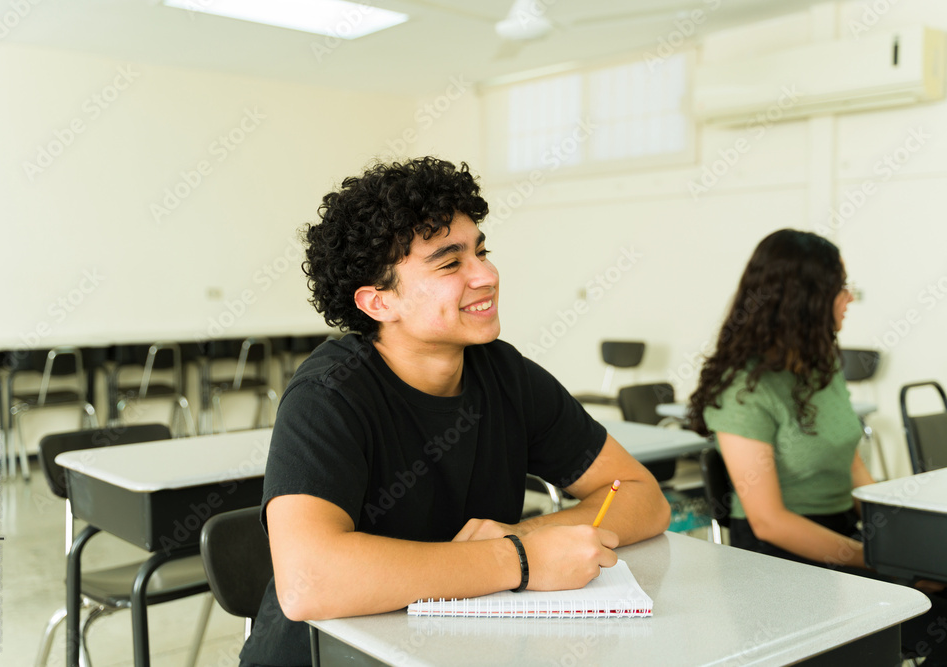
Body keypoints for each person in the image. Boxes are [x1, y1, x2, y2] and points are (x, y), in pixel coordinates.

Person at [239, 157, 670, 667]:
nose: (486, 275)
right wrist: (520, 560)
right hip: (326, 655)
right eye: (450, 264)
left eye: (481, 252)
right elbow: (309, 583)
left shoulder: (505, 373)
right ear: (378, 303)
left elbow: (642, 495)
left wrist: (526, 535)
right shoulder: (328, 394)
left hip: (455, 648)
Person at [688, 228, 947, 665]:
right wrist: (879, 563)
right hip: (783, 561)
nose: (849, 297)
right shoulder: (743, 390)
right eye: (840, 287)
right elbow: (769, 522)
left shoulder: (820, 365)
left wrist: (900, 545)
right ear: (804, 300)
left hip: (847, 536)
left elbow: (851, 464)